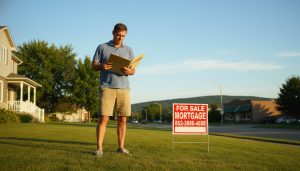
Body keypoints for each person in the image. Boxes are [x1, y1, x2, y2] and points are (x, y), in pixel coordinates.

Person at [92, 23, 135, 157]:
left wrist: (130, 71)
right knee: (103, 118)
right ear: (113, 33)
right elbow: (93, 66)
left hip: (124, 88)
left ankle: (121, 147)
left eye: (123, 36)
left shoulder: (129, 50)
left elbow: (133, 69)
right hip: (107, 87)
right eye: (118, 35)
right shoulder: (102, 47)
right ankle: (99, 148)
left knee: (122, 119)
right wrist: (102, 66)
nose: (120, 38)